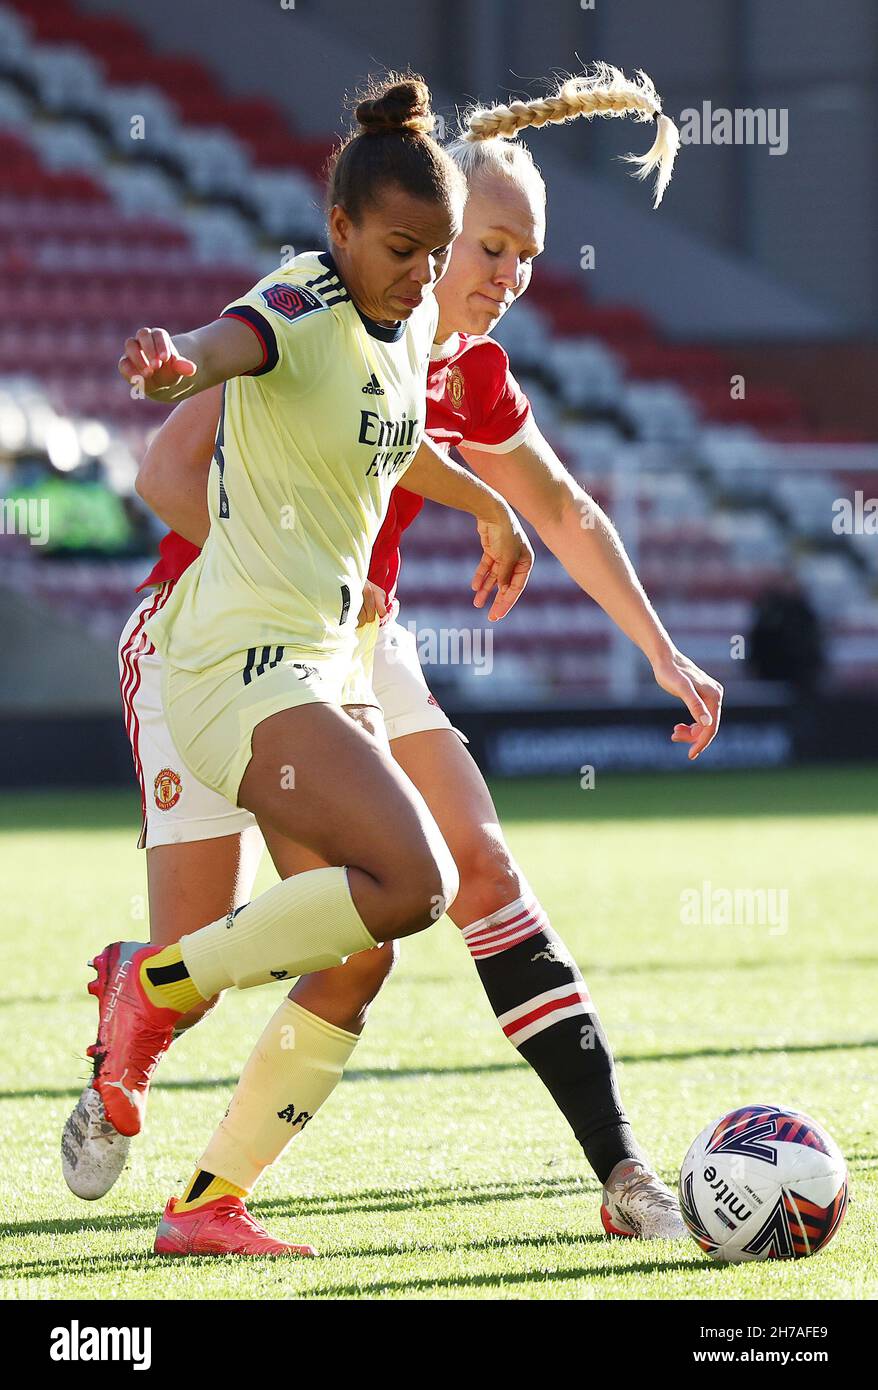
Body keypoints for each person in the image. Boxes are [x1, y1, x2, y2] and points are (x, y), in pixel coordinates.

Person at [67, 66, 722, 1255]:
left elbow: (562, 505)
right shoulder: (328, 304)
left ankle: (614, 1167)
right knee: (217, 955)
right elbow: (167, 471)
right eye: (488, 246)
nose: (503, 276)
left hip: (348, 642)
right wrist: (277, 570)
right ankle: (146, 1001)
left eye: (524, 256)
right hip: (204, 632)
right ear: (418, 223)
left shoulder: (459, 366)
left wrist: (664, 652)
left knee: (450, 878)